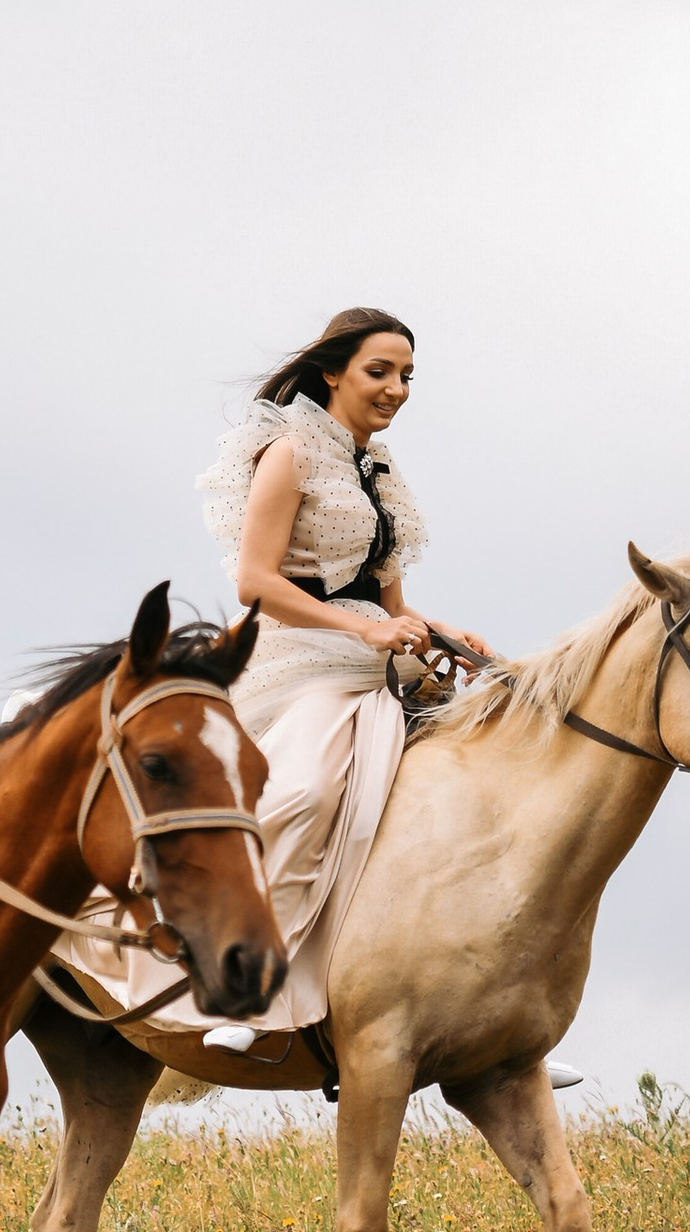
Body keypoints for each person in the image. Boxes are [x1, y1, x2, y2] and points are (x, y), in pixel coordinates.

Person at [196, 305, 491, 977]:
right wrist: (368, 630)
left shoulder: (380, 470)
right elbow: (254, 582)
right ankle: (235, 963)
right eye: (379, 371)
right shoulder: (289, 452)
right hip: (295, 650)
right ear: (332, 373)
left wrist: (443, 632)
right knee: (305, 795)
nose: (396, 389)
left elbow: (392, 604)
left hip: (373, 652)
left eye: (407, 376)